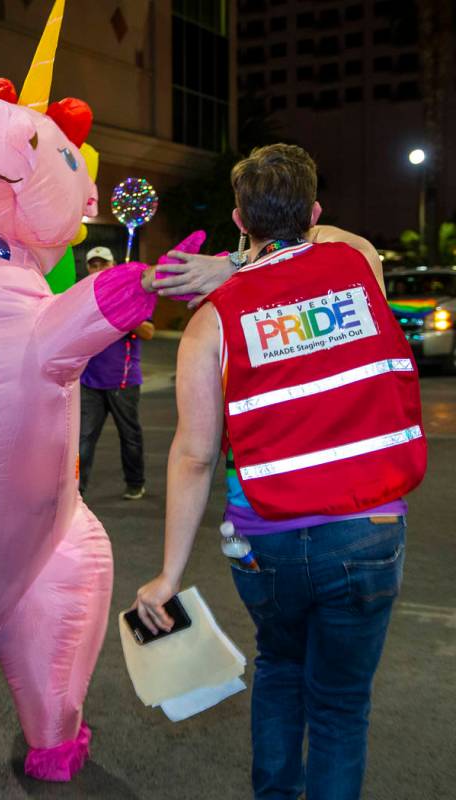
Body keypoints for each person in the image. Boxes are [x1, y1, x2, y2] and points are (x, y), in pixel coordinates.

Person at [135, 144, 426, 800]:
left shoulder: (214, 319)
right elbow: (337, 237)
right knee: (340, 708)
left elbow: (194, 454)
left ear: (239, 218)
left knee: (280, 671)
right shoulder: (356, 268)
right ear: (316, 211)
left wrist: (169, 576)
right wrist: (255, 250)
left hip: (262, 536)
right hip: (367, 528)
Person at [79, 246, 155, 500]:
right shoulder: (82, 297)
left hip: (122, 382)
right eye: (94, 264)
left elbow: (148, 332)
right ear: (88, 268)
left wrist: (124, 312)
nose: (98, 269)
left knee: (130, 437)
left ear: (113, 266)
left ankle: (135, 483)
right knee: (83, 440)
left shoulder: (132, 295)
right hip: (90, 381)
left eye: (104, 264)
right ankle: (76, 489)